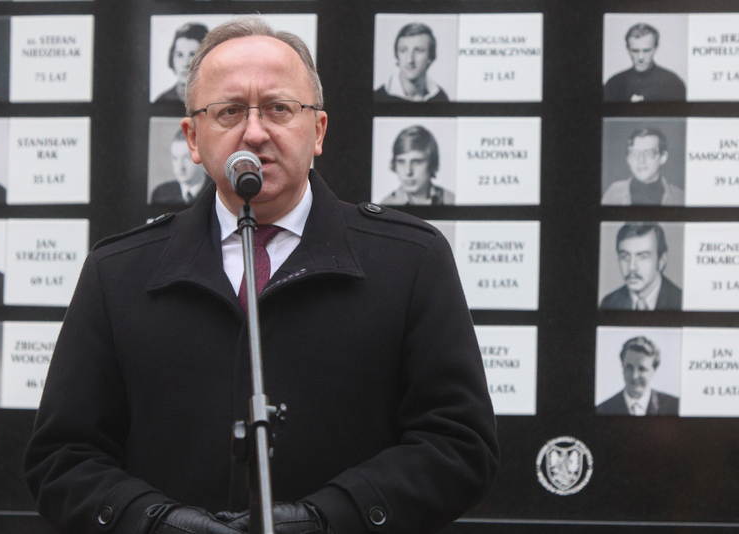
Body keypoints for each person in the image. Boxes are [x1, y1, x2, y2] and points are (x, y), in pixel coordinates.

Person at [25, 16, 498, 534]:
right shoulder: (117, 272)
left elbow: (458, 446)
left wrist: (325, 520)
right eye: (229, 111)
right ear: (193, 138)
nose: (254, 132)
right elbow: (63, 458)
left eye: (278, 108)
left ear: (317, 130)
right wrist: (157, 523)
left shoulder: (410, 260)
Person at [600, 223, 681, 311]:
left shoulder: (681, 301)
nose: (631, 267)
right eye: (625, 256)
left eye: (642, 257)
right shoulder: (609, 302)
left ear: (661, 261)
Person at [604, 23, 686, 102]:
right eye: (635, 51)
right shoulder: (613, 84)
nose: (641, 57)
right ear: (628, 49)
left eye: (646, 50)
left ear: (656, 48)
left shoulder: (673, 83)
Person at [597, 336, 678, 416]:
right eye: (629, 368)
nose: (634, 376)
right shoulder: (602, 409)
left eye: (642, 369)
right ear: (622, 367)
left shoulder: (674, 406)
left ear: (654, 371)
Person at [602, 128, 684, 206]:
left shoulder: (680, 197)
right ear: (628, 159)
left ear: (663, 157)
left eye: (649, 153)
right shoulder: (613, 193)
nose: (641, 160)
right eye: (634, 153)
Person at [380, 125, 454, 205]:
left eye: (416, 162)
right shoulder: (385, 205)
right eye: (401, 162)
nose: (408, 172)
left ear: (432, 164)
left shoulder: (452, 200)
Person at [375, 23, 448, 102]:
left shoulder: (441, 98)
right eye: (403, 50)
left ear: (430, 57)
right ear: (397, 55)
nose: (410, 60)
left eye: (419, 50)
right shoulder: (378, 97)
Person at [150, 129, 211, 205]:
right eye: (175, 158)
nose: (180, 167)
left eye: (188, 158)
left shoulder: (219, 192)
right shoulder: (160, 194)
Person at [154, 23, 208, 103]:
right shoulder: (162, 100)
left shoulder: (218, 99)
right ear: (172, 59)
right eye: (180, 55)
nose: (185, 64)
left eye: (192, 55)